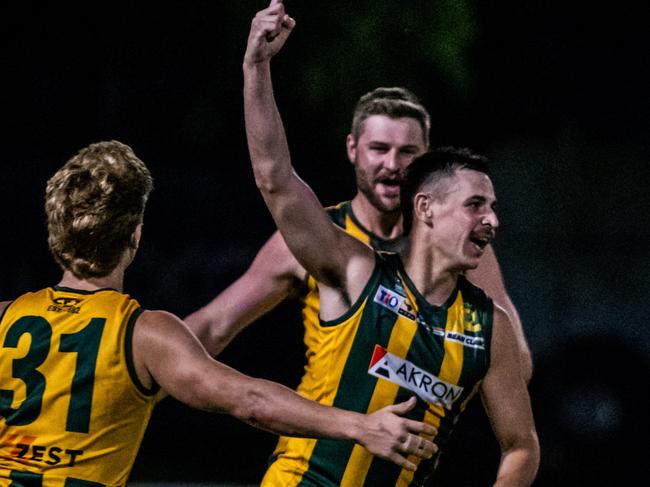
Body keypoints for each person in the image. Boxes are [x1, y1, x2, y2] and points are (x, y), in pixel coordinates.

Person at [0, 141, 438, 485]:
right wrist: (359, 426)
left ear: (55, 234)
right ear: (134, 236)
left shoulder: (6, 318)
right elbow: (250, 402)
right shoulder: (143, 336)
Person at [240, 1, 540, 486]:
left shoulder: (490, 326)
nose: (492, 221)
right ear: (424, 209)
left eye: (492, 207)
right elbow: (274, 179)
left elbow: (522, 445)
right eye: (475, 206)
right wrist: (256, 66)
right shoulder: (358, 269)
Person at [185, 9, 533, 386]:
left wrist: (438, 362)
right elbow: (214, 326)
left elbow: (518, 365)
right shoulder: (323, 235)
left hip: (406, 442)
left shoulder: (457, 244)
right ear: (352, 149)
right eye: (379, 149)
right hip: (316, 441)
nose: (393, 164)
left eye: (407, 152)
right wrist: (137, 367)